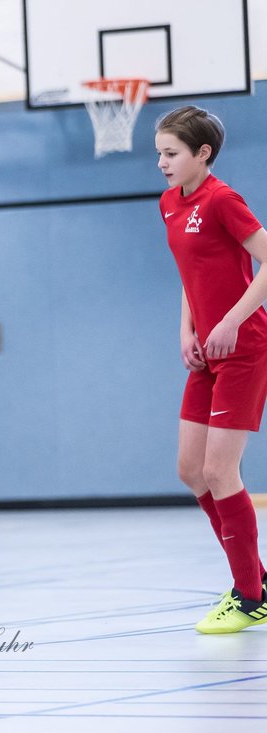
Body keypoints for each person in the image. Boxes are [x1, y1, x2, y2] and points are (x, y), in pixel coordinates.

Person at [156, 106, 267, 633]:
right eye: (158, 153)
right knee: (191, 471)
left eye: (171, 153)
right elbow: (190, 272)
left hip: (245, 349)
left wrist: (228, 322)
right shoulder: (168, 204)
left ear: (203, 154)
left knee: (222, 471)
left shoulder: (223, 200)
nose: (162, 163)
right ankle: (255, 581)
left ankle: (251, 594)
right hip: (206, 354)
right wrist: (189, 330)